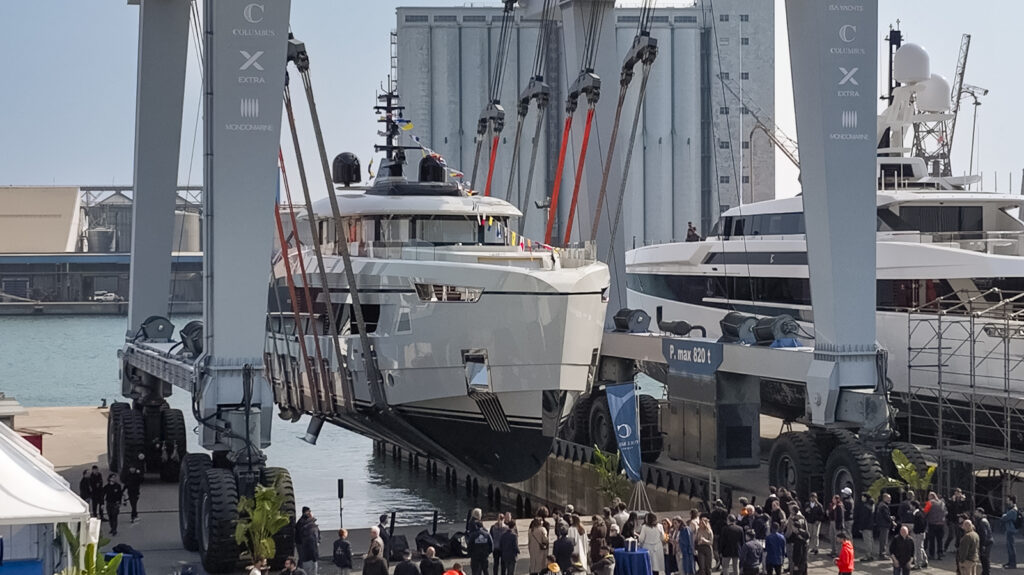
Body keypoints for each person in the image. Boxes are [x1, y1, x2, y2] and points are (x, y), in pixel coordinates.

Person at [295, 507, 321, 575]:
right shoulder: (305, 523)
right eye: (309, 511)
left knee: (305, 560)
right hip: (304, 544)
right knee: (308, 562)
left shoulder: (301, 522)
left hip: (303, 543)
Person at [945, 488, 969, 554]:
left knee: (959, 535)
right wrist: (953, 501)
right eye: (956, 492)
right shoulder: (951, 500)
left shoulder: (962, 501)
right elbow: (949, 508)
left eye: (959, 493)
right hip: (951, 519)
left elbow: (965, 509)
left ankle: (957, 548)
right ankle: (945, 547)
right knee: (951, 535)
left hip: (958, 520)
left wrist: (963, 501)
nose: (957, 494)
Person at [924, 491, 947, 561]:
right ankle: (940, 553)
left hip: (932, 524)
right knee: (940, 540)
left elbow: (925, 513)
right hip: (941, 524)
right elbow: (945, 512)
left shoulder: (929, 503)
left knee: (932, 540)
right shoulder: (942, 503)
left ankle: (932, 554)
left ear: (931, 497)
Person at [874, 493, 895, 560]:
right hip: (884, 525)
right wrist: (891, 519)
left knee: (882, 539)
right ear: (884, 498)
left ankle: (882, 553)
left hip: (881, 525)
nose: (890, 499)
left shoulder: (880, 505)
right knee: (884, 540)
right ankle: (882, 554)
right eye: (889, 498)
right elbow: (886, 516)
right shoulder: (884, 506)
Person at [1001, 495, 1020, 569]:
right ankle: (1010, 562)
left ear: (1011, 501)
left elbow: (1004, 518)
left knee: (1011, 547)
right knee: (1009, 547)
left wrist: (1004, 515)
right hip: (1010, 529)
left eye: (1008, 500)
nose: (1006, 501)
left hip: (1011, 530)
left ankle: (1013, 564)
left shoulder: (1013, 511)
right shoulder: (1012, 509)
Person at [973, 508, 993, 575]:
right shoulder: (980, 520)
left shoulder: (983, 521)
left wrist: (983, 545)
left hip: (986, 542)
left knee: (985, 558)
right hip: (985, 542)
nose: (975, 513)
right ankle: (985, 572)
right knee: (983, 558)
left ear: (980, 513)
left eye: (976, 512)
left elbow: (984, 534)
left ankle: (986, 572)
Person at [710, 500, 729, 568]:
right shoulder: (725, 512)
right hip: (723, 532)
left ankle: (717, 561)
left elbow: (711, 522)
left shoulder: (713, 513)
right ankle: (722, 561)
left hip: (715, 532)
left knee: (715, 548)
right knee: (722, 547)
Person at [911, 500, 928, 568]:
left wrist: (915, 531)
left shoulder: (917, 514)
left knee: (918, 549)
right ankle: (924, 560)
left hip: (918, 533)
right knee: (921, 547)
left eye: (911, 505)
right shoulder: (922, 512)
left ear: (914, 506)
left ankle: (918, 564)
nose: (910, 507)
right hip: (922, 533)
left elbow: (919, 524)